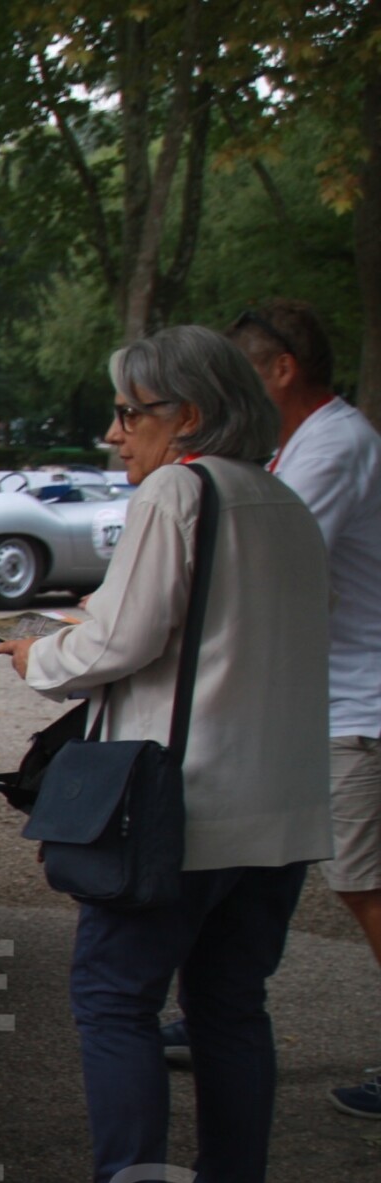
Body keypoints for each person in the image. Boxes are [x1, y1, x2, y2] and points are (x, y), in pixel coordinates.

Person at [0, 325, 330, 1183]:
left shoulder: (178, 493)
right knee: (231, 1007)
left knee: (114, 999)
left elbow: (121, 641)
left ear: (188, 415)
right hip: (280, 805)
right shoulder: (284, 500)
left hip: (184, 806)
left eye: (130, 412)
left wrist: (38, 654)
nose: (116, 433)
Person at [218, 301, 381, 1120]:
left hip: (358, 706)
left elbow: (273, 556)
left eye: (240, 371)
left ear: (281, 369)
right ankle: (219, 1012)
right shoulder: (305, 442)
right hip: (319, 699)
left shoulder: (334, 445)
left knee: (364, 886)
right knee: (256, 860)